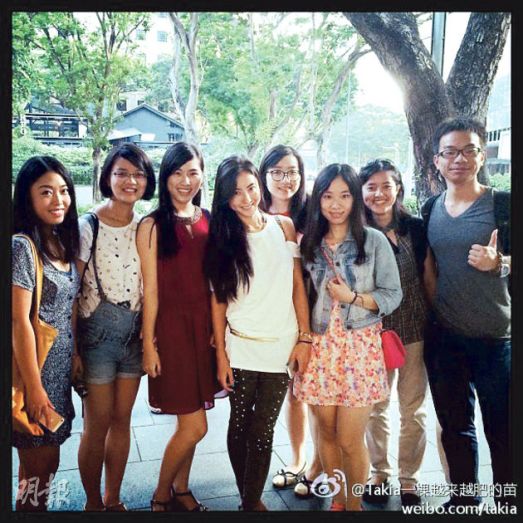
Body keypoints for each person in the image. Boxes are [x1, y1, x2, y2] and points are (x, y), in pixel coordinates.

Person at [204, 155, 311, 511]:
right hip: (241, 346)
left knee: (263, 430)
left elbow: (297, 286)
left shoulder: (283, 226)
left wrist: (304, 337)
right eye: (236, 192)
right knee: (239, 425)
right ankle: (248, 499)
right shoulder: (221, 239)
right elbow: (218, 302)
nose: (246, 198)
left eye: (251, 187)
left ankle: (250, 502)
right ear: (224, 198)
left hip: (281, 346)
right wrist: (221, 355)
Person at [294, 163, 402, 511]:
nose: (336, 204)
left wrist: (353, 298)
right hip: (321, 346)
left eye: (344, 196)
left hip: (360, 349)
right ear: (318, 200)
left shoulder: (373, 241)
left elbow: (393, 294)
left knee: (350, 439)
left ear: (355, 199)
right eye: (328, 196)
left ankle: (353, 505)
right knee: (325, 432)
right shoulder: (309, 244)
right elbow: (300, 296)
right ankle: (338, 500)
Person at [422, 116, 511, 509]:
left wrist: (499, 263)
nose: (459, 159)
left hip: (496, 339)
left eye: (469, 150)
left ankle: (508, 504)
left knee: (503, 430)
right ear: (437, 161)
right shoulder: (430, 208)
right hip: (446, 339)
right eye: (450, 152)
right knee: (455, 428)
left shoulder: (503, 204)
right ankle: (464, 500)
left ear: (481, 156)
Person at [137, 142, 222, 512]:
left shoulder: (209, 219)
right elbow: (150, 290)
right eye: (177, 173)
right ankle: (161, 493)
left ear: (202, 174)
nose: (186, 181)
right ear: (165, 177)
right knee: (195, 426)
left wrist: (218, 333)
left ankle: (181, 488)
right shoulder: (152, 225)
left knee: (190, 421)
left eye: (193, 172)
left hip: (203, 330)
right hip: (172, 332)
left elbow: (216, 283)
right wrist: (148, 345)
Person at [76, 144, 156, 511]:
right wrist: (74, 350)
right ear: (108, 177)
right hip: (97, 337)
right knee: (97, 425)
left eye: (138, 174)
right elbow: (71, 292)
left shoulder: (145, 226)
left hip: (134, 335)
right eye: (122, 173)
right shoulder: (88, 225)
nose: (130, 181)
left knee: (123, 421)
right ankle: (93, 502)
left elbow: (150, 286)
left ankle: (113, 497)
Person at [359, 159, 434, 507]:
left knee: (413, 408)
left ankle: (409, 479)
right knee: (375, 407)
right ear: (361, 191)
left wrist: (436, 319)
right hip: (373, 333)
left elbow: (428, 275)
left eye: (386, 186)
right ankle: (379, 472)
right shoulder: (355, 232)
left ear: (398, 189)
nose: (379, 193)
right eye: (371, 187)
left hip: (415, 329)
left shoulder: (415, 228)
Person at [12, 156, 81, 511]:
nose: (58, 200)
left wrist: (75, 354)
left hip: (57, 373)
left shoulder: (58, 240)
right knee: (41, 466)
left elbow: (68, 307)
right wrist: (35, 389)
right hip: (35, 376)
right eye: (46, 192)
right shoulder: (23, 246)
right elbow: (18, 321)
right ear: (28, 197)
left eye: (63, 190)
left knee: (39, 469)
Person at [259, 145, 322, 498]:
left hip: (314, 314)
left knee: (315, 393)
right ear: (264, 174)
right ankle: (297, 461)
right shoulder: (252, 212)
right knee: (292, 394)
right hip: (272, 317)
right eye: (278, 172)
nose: (286, 179)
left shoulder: (314, 214)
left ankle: (318, 465)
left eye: (293, 172)